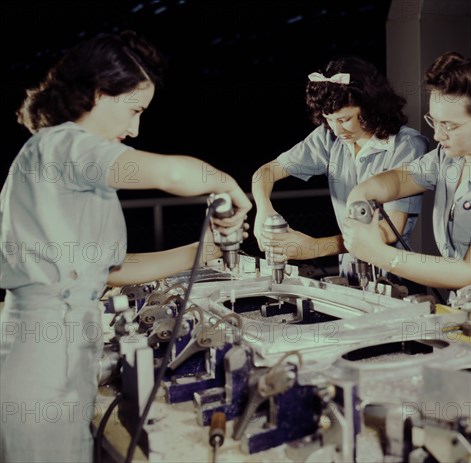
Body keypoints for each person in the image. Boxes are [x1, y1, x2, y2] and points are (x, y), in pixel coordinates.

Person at [0, 30, 252, 463]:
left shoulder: (73, 168)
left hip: (65, 344)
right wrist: (225, 182)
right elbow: (171, 175)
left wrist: (204, 250)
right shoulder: (62, 146)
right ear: (100, 94)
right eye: (134, 110)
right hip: (42, 352)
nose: (136, 128)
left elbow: (111, 271)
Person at [342, 51, 471, 316]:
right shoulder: (451, 157)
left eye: (449, 125)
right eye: (434, 120)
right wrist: (361, 192)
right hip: (469, 302)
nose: (437, 134)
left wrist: (380, 254)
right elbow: (399, 180)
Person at [252, 56, 428, 287]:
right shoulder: (329, 137)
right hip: (349, 272)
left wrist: (314, 247)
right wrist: (264, 209)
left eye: (345, 119)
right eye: (329, 119)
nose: (337, 129)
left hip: (395, 273)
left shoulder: (407, 145)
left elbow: (387, 231)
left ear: (370, 107)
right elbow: (265, 173)